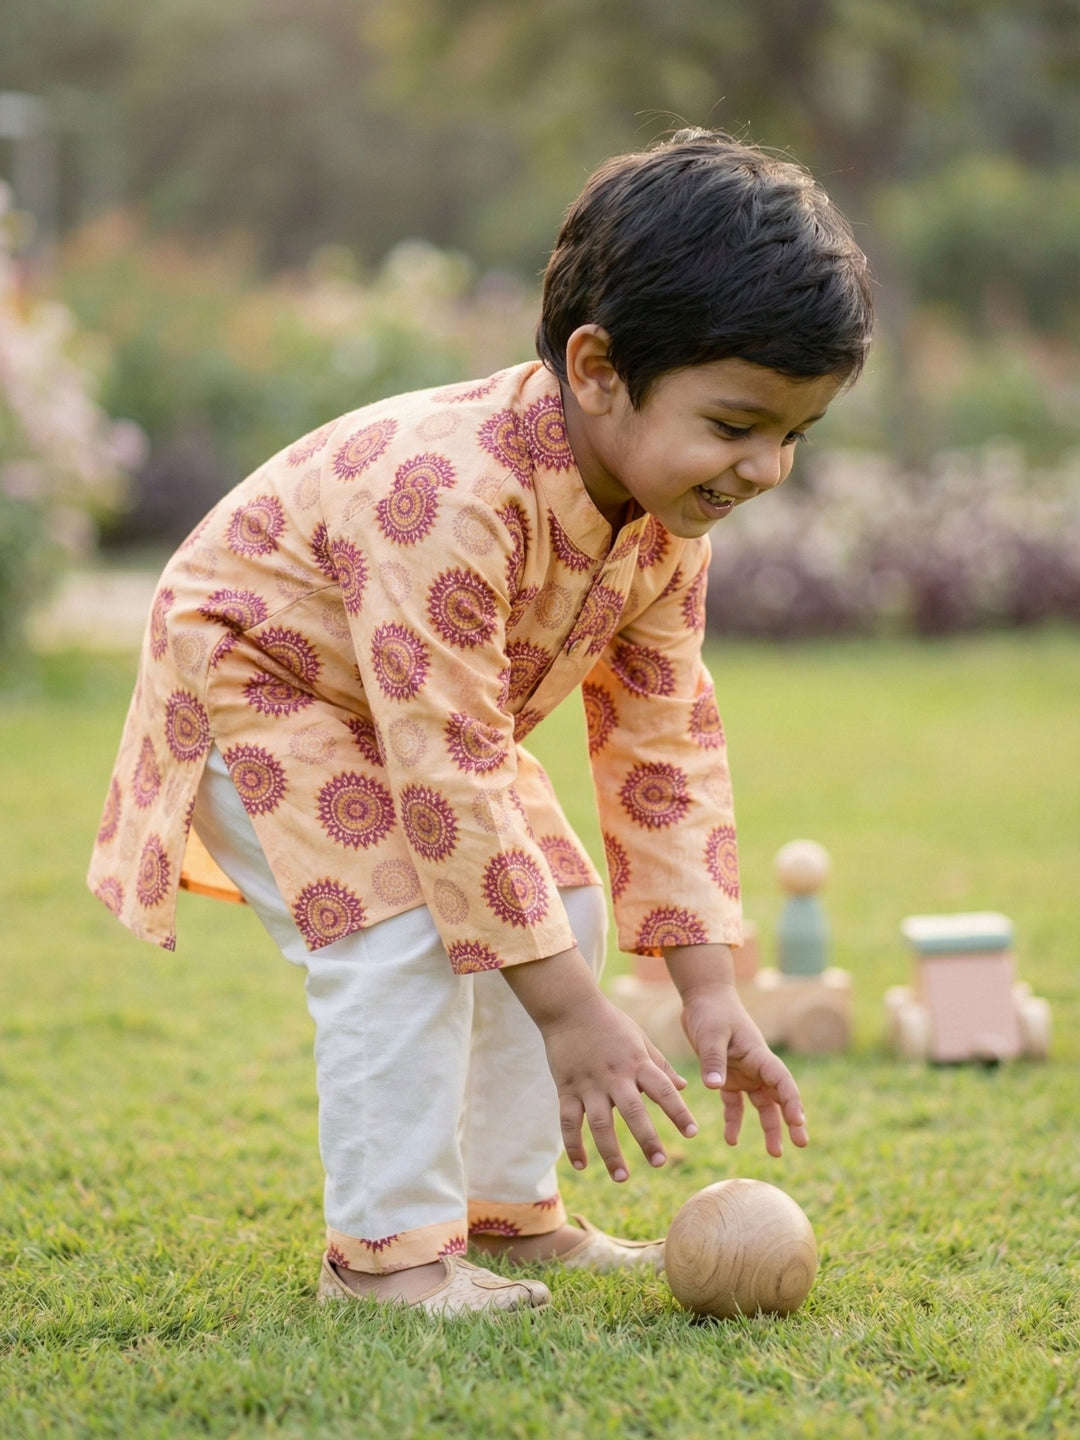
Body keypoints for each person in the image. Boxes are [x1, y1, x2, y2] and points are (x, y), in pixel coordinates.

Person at [88, 128, 873, 1315]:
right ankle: (387, 1262)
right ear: (598, 368)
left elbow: (663, 748)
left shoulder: (666, 526)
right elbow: (445, 778)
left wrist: (708, 989)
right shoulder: (449, 500)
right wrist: (575, 1017)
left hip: (417, 720)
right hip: (263, 677)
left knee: (552, 902)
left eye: (793, 436)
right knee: (400, 934)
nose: (765, 469)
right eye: (734, 424)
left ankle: (509, 1217)